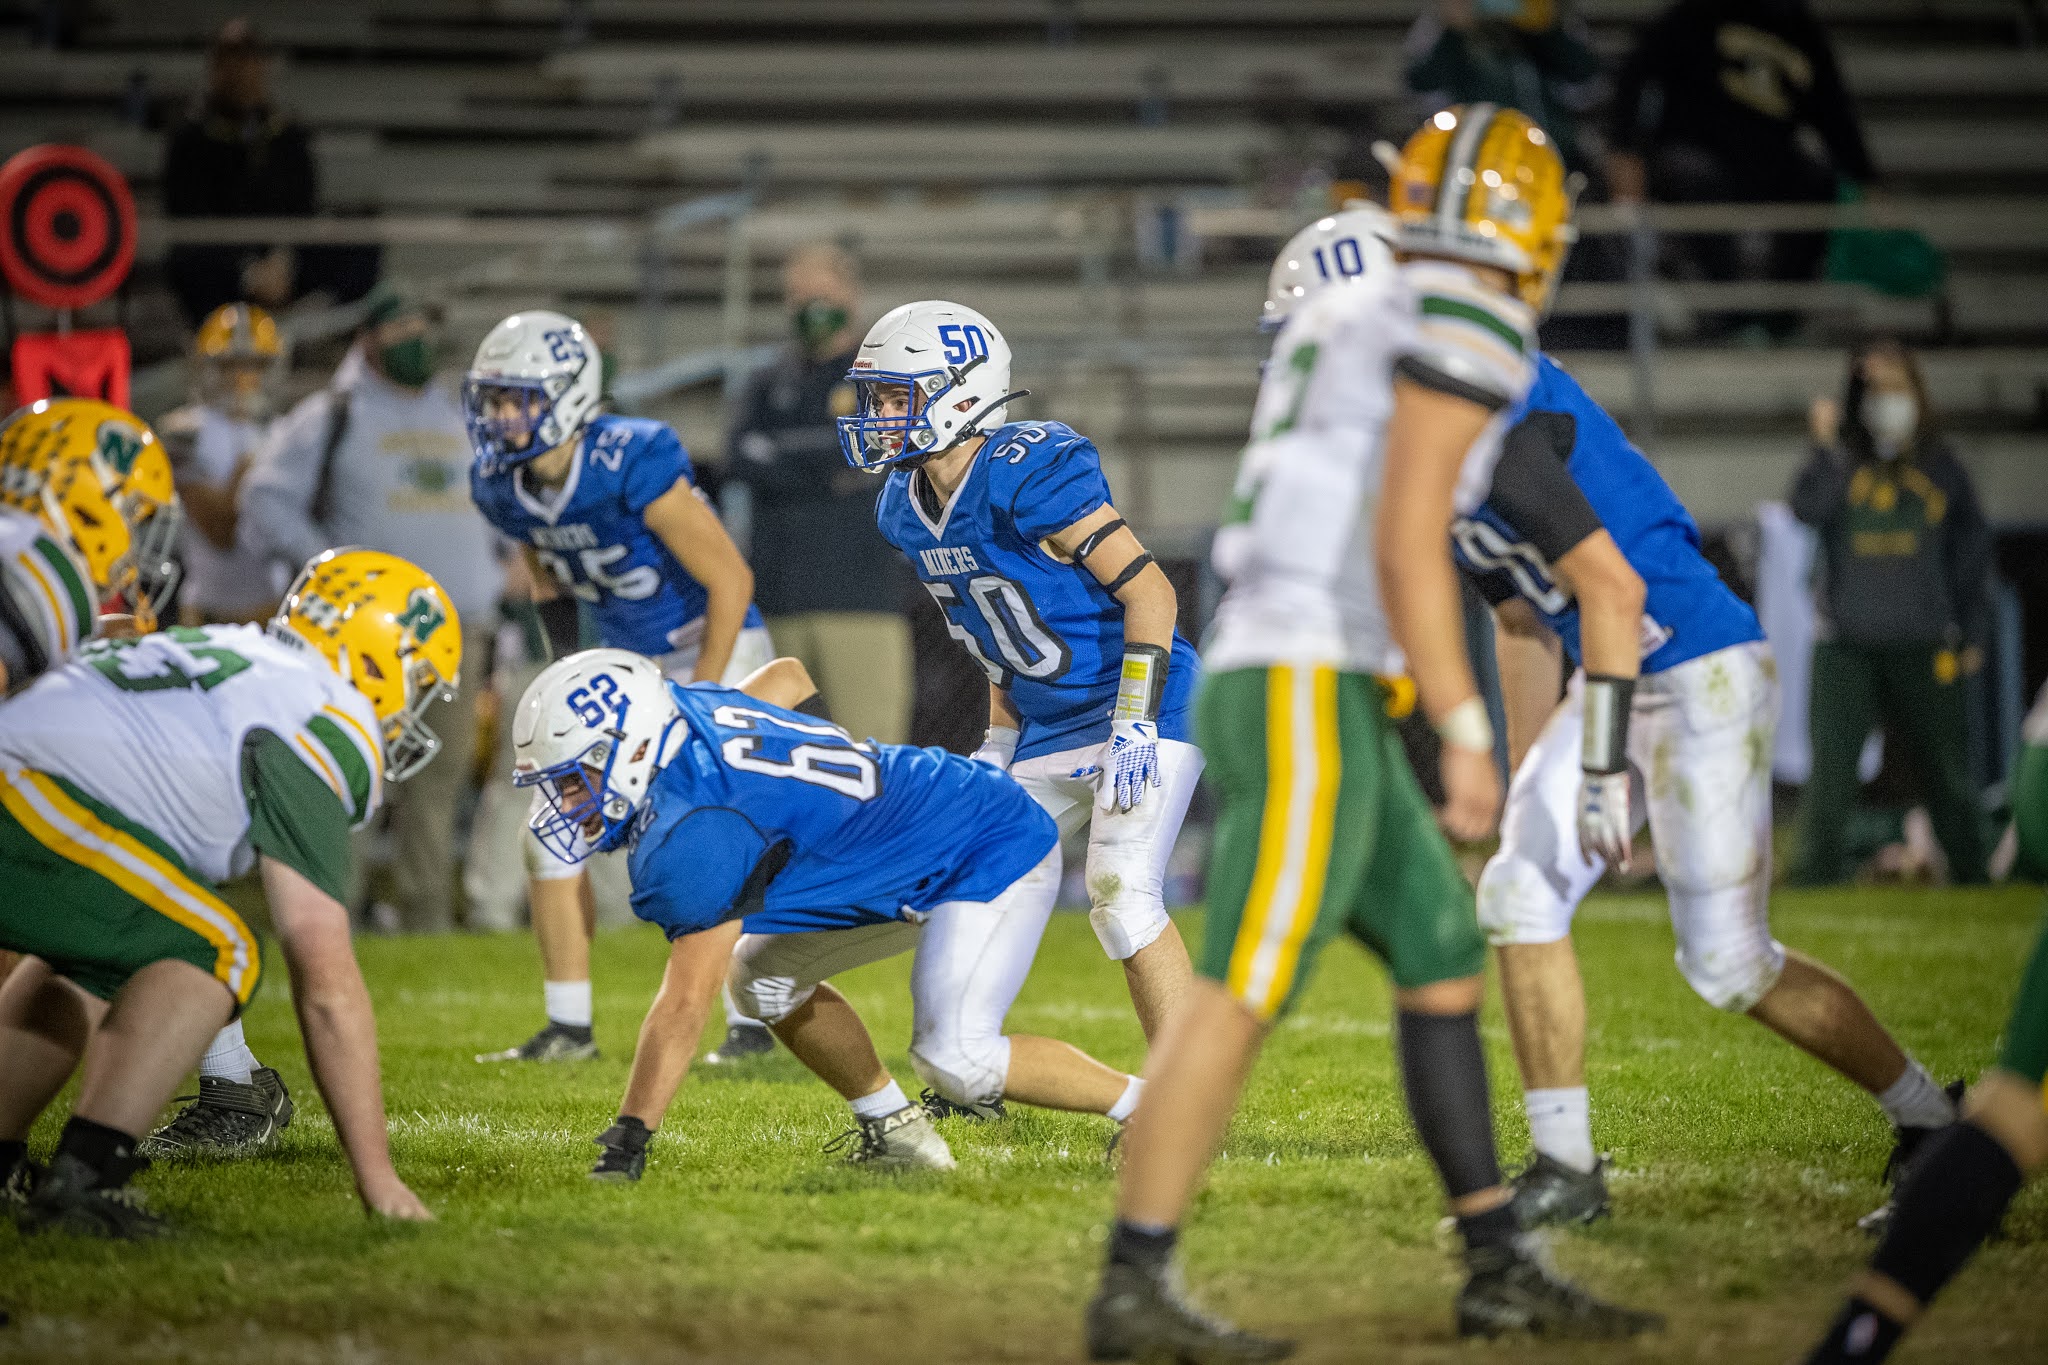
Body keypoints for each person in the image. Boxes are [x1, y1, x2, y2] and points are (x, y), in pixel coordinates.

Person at [1086, 112, 1659, 1361]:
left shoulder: (1350, 315)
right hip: (1299, 680)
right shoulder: (1458, 317)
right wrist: (1465, 729)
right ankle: (1132, 1282)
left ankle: (1496, 1261)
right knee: (1242, 987)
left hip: (1306, 671)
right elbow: (1411, 541)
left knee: (1440, 946)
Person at [1460, 352, 1960, 1230]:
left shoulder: (1482, 398)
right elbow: (1518, 621)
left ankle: (1931, 1123)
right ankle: (1565, 1164)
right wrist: (1531, 778)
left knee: (1729, 962)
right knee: (1517, 886)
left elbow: (1613, 590)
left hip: (1698, 664)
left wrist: (1600, 763)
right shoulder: (1420, 437)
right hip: (1614, 673)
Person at [510, 649, 1147, 1180]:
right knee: (760, 979)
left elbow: (683, 1004)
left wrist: (630, 1137)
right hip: (909, 841)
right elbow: (787, 676)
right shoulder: (685, 713)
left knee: (956, 1058)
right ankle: (896, 1133)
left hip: (983, 843)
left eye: (574, 778)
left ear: (633, 748)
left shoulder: (695, 832)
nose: (564, 801)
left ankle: (1150, 1108)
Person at [0, 548, 457, 1235]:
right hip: (23, 792)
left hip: (28, 778)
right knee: (218, 947)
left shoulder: (235, 650)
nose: (409, 705)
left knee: (101, 949)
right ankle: (87, 1177)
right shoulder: (325, 711)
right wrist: (377, 1176)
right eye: (415, 676)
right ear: (377, 658)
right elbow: (324, 975)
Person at [855, 300, 1199, 1049]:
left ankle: (1184, 1097)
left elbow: (1152, 592)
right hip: (1045, 721)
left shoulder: (1030, 469)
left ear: (962, 392)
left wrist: (1135, 721)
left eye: (894, 395)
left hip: (1142, 703)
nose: (878, 414)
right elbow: (993, 636)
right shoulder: (903, 507)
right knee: (979, 872)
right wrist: (1000, 739)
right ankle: (964, 1060)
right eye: (876, 397)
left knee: (1119, 893)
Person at [464, 309, 775, 1066]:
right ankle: (568, 1025)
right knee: (552, 825)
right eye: (495, 399)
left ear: (570, 395)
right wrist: (564, 665)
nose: (502, 417)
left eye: (520, 398)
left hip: (714, 648)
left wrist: (705, 694)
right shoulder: (500, 484)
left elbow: (730, 578)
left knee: (726, 830)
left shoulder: (629, 455)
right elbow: (545, 570)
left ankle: (754, 1019)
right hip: (630, 667)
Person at [239, 283, 499, 935]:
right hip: (366, 631)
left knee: (440, 778)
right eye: (401, 325)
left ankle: (426, 912)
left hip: (457, 628)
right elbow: (264, 498)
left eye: (424, 323)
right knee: (353, 770)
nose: (417, 336)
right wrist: (332, 568)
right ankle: (333, 910)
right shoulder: (332, 412)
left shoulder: (454, 415)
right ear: (367, 338)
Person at [1789, 337, 1991, 887]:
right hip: (1846, 641)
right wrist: (1826, 447)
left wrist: (1972, 629)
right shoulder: (1841, 459)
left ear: (1917, 393)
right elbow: (1806, 508)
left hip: (1924, 638)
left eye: (1894, 389)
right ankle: (1814, 877)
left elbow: (1972, 551)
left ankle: (1976, 874)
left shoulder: (1941, 465)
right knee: (1831, 772)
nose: (1883, 401)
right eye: (1872, 391)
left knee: (1947, 772)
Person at [728, 243, 913, 746]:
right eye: (798, 296)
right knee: (769, 757)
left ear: (851, 297)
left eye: (821, 294)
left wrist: (783, 457)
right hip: (777, 600)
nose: (809, 307)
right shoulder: (765, 382)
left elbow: (870, 455)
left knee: (872, 757)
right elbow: (738, 459)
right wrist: (829, 465)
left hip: (860, 600)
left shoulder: (881, 378)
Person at [1607, 0, 1875, 296]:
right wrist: (1624, 150)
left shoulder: (1798, 24)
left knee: (1819, 184)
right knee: (1693, 178)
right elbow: (1636, 74)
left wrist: (1865, 179)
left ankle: (1779, 316)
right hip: (1698, 153)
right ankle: (1725, 308)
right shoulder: (1698, 13)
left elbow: (1833, 110)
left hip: (1769, 159)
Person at [159, 20, 351, 328]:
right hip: (223, 264)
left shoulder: (288, 134)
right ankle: (220, 333)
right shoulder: (190, 137)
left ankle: (308, 328)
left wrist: (284, 261)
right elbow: (187, 216)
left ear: (263, 67)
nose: (242, 72)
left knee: (358, 245)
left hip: (283, 260)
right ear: (215, 69)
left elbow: (304, 207)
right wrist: (247, 271)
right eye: (230, 60)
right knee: (187, 261)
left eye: (250, 60)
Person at [157, 303, 290, 625]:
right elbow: (220, 531)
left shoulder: (287, 429)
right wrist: (251, 465)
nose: (243, 379)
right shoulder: (185, 431)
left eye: (254, 366)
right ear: (207, 368)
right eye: (230, 366)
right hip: (209, 613)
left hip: (276, 610)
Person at [1403, 0, 1604, 176]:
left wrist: (1546, 32)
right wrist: (1455, 31)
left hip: (1547, 156)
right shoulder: (1440, 18)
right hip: (1470, 158)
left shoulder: (1550, 11)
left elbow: (1587, 86)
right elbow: (1420, 87)